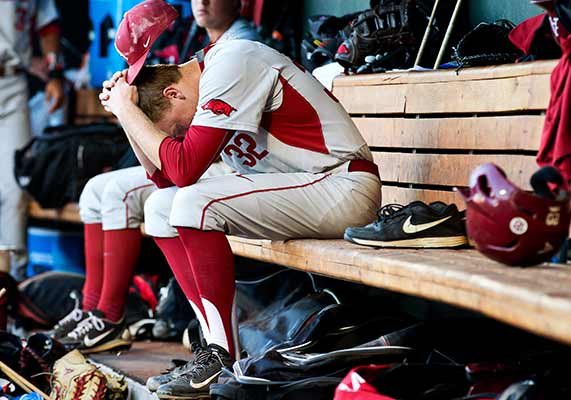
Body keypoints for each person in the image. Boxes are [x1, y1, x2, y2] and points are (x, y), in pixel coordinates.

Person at [98, 0, 381, 397]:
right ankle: (213, 347)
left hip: (341, 184)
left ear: (173, 93)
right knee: (162, 207)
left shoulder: (232, 62)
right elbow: (164, 182)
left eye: (176, 128)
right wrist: (126, 115)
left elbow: (183, 169)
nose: (180, 135)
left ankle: (220, 354)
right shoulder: (201, 78)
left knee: (193, 203)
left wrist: (131, 114)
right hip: (306, 188)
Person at [52, 0, 261, 354]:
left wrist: (129, 111)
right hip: (208, 158)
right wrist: (127, 107)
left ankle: (111, 314)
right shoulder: (199, 43)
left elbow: (181, 169)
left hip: (227, 162)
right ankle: (94, 307)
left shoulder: (241, 45)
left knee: (120, 190)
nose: (202, 3)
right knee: (95, 190)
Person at [0, 0, 64, 328]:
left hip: (12, 83)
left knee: (15, 187)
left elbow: (47, 23)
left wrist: (53, 71)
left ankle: (11, 295)